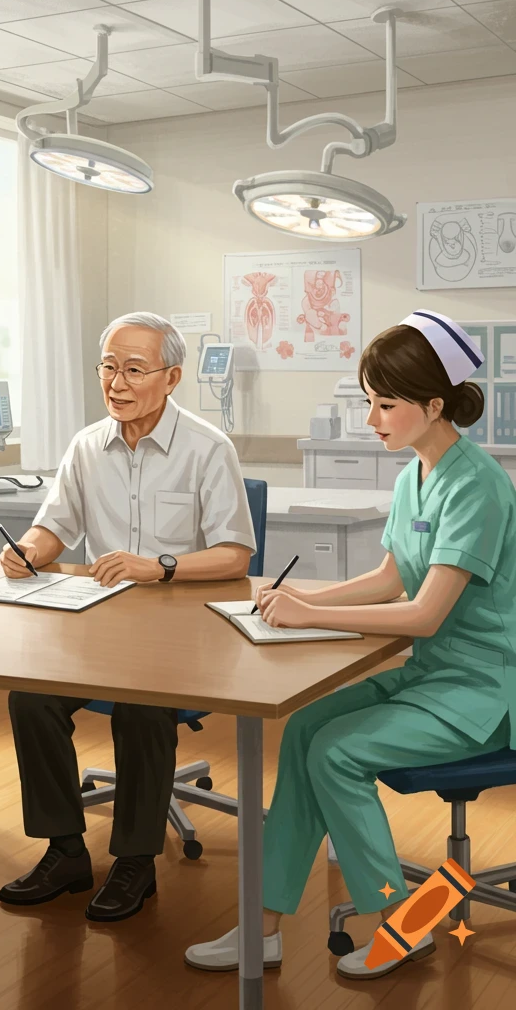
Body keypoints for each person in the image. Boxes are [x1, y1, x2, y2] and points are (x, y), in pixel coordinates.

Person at [186, 309, 516, 980]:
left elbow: (422, 614)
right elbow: (390, 576)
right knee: (306, 728)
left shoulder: (478, 484)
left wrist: (311, 619)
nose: (372, 419)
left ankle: (404, 922)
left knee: (337, 753)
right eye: (369, 401)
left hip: (482, 691)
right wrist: (304, 601)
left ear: (433, 404)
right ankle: (264, 926)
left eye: (385, 403)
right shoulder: (413, 476)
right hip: (433, 675)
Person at [0, 312, 256, 922]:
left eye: (133, 369)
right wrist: (29, 550)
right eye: (108, 367)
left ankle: (136, 863)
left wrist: (160, 566)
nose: (116, 381)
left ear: (171, 378)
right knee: (30, 697)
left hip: (181, 635)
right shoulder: (87, 445)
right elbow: (55, 525)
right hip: (97, 628)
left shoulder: (209, 449)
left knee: (143, 704)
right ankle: (64, 851)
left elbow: (236, 554)